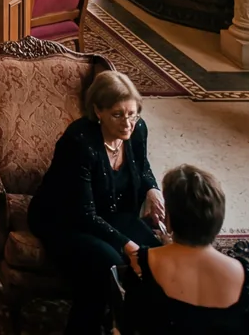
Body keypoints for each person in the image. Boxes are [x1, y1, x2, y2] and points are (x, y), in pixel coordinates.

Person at [30, 69, 165, 335]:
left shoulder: (137, 129)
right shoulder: (79, 142)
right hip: (65, 220)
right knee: (107, 263)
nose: (127, 123)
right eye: (118, 114)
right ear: (98, 111)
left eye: (132, 113)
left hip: (112, 213)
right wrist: (128, 247)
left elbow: (143, 165)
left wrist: (152, 189)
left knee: (156, 254)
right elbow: (84, 214)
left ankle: (133, 325)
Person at [121, 165, 249, 335]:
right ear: (218, 220)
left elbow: (129, 326)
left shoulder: (142, 265)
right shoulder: (247, 276)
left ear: (168, 221)